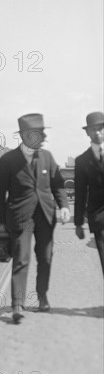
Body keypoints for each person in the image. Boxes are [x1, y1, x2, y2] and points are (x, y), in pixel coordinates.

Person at [0, 113, 70, 323]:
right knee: (21, 258)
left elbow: (58, 185)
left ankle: (42, 295)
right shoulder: (8, 160)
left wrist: (63, 206)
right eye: (39, 134)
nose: (44, 138)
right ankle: (17, 304)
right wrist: (0, 223)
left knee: (45, 257)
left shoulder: (47, 157)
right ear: (26, 136)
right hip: (21, 217)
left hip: (45, 215)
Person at [74, 111, 104, 275]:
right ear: (87, 132)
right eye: (93, 129)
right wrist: (78, 223)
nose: (98, 133)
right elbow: (80, 193)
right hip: (100, 219)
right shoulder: (82, 161)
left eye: (101, 128)